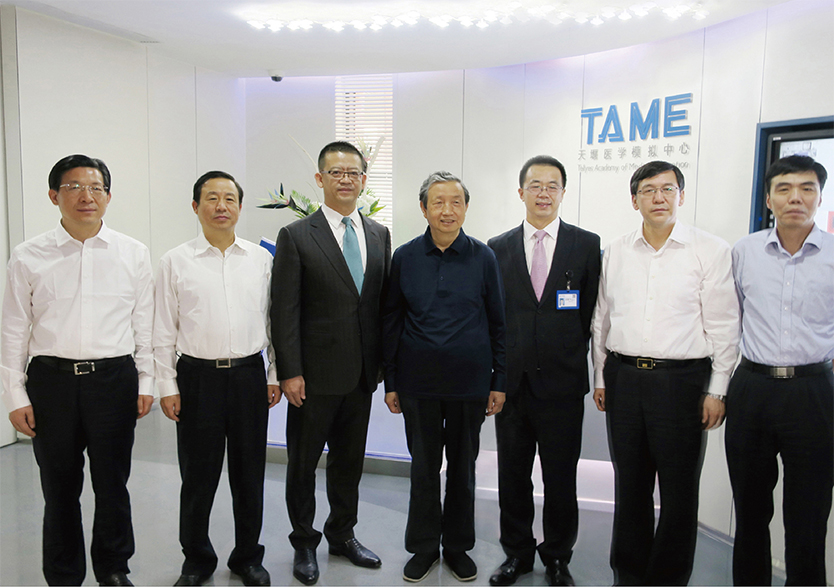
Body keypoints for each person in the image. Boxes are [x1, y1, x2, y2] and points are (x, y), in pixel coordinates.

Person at [0, 154, 154, 586]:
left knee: (113, 484)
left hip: (114, 380)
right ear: (54, 196)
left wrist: (147, 381)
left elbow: (144, 323)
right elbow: (13, 329)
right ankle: (64, 576)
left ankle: (113, 568)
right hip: (52, 383)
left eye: (96, 187)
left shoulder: (133, 253)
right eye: (74, 187)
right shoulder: (28, 256)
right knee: (59, 489)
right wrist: (14, 395)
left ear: (108, 195)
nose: (87, 196)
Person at [591, 160, 739, 585]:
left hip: (682, 383)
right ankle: (628, 574)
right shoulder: (617, 250)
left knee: (678, 492)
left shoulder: (710, 250)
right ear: (634, 199)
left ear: (681, 195)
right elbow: (602, 318)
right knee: (630, 486)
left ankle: (669, 579)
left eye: (668, 189)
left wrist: (718, 390)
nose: (659, 198)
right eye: (648, 190)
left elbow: (725, 326)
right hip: (624, 379)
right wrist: (600, 377)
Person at [271, 141, 391, 586]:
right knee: (303, 464)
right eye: (336, 172)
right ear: (320, 179)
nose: (345, 179)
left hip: (361, 375)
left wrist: (384, 368)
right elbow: (284, 310)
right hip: (313, 377)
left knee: (348, 462)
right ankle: (304, 541)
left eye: (352, 172)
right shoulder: (297, 235)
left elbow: (381, 306)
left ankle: (342, 534)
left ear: (363, 180)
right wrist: (290, 371)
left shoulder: (379, 234)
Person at [153, 171, 280, 586]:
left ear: (240, 207)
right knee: (198, 477)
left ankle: (248, 558)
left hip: (248, 377)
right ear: (196, 206)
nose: (221, 206)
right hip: (196, 378)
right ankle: (196, 560)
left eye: (229, 198)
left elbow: (274, 322)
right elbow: (162, 330)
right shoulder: (175, 261)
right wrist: (167, 386)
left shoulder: (261, 260)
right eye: (211, 198)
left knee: (250, 474)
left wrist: (274, 374)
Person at [382, 171, 506, 583]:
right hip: (417, 384)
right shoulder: (405, 257)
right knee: (423, 469)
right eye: (438, 202)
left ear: (466, 208)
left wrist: (499, 381)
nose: (447, 210)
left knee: (463, 470)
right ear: (424, 209)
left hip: (470, 384)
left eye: (456, 202)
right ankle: (422, 548)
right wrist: (391, 382)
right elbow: (392, 320)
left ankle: (456, 547)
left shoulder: (484, 257)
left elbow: (499, 323)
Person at [487, 156, 600, 587]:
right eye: (535, 185)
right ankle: (516, 554)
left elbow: (591, 315)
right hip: (512, 386)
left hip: (562, 385)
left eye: (553, 186)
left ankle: (556, 557)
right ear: (521, 192)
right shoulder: (497, 247)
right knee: (512, 475)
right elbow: (493, 318)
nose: (544, 193)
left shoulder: (586, 245)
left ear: (563, 193)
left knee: (560, 478)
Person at [726, 154, 833, 586]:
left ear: (820, 197)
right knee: (750, 509)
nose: (796, 198)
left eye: (807, 189)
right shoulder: (744, 252)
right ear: (769, 199)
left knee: (809, 513)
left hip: (814, 391)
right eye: (784, 189)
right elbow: (729, 321)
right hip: (753, 387)